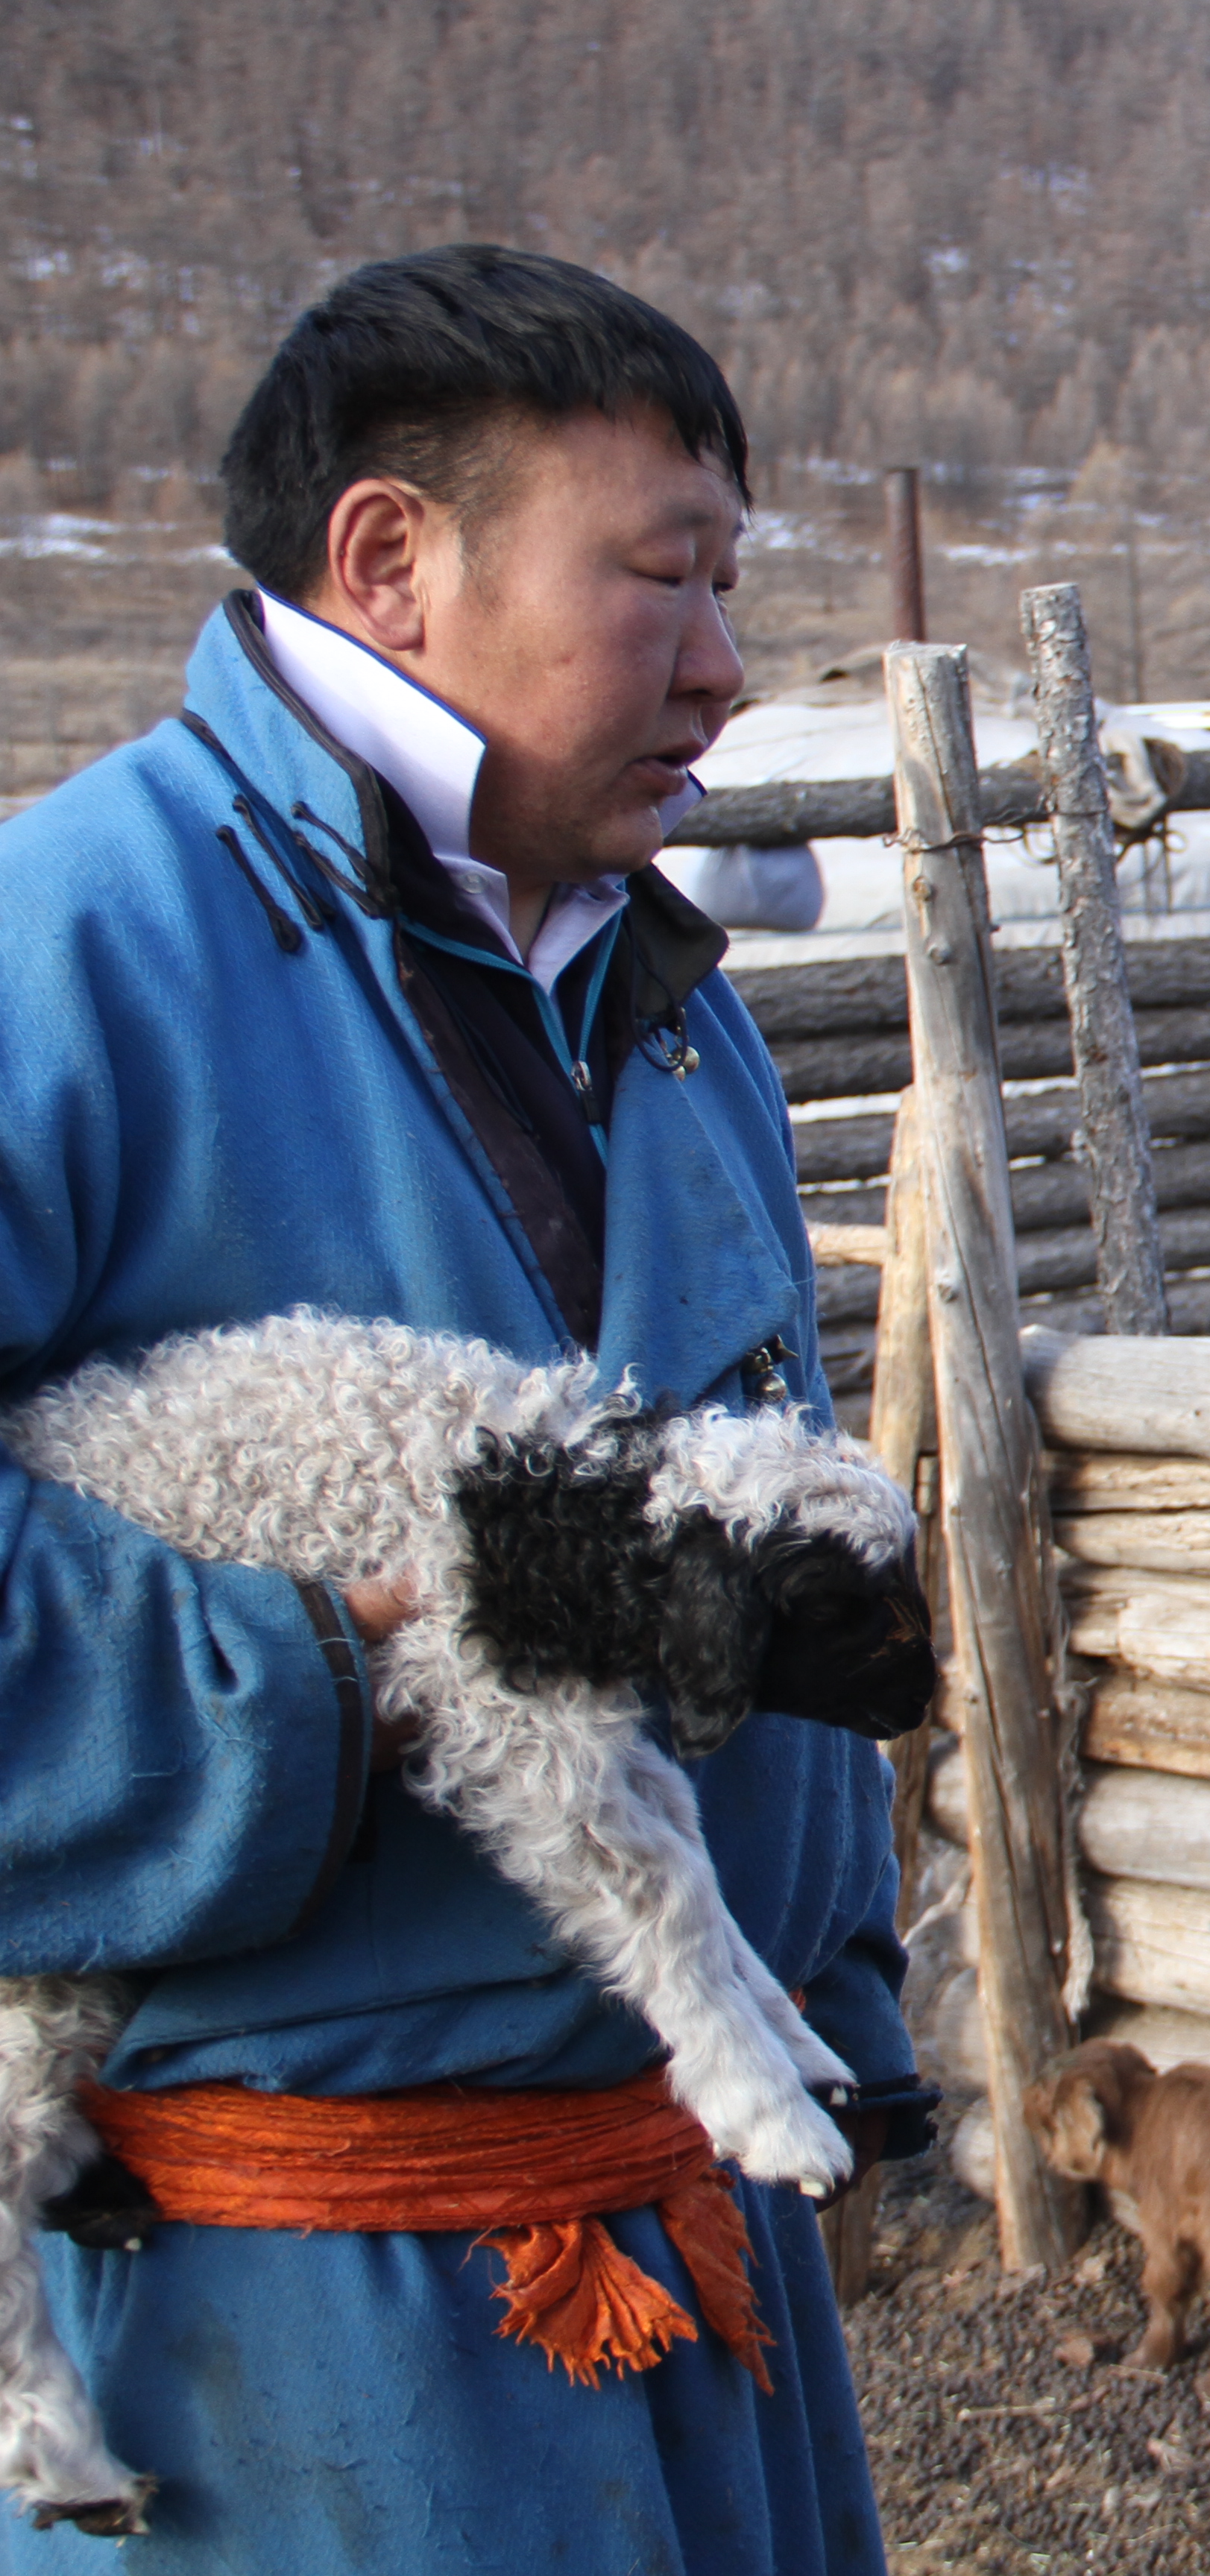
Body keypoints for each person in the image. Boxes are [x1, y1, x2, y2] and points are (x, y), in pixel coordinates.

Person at [0, 244, 927, 2571]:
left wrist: (844, 1995)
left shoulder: (657, 984)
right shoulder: (65, 958)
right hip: (283, 2341)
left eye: (735, 585)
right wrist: (330, 1676)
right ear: (391, 557)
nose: (724, 664)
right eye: (663, 580)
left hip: (707, 2257)